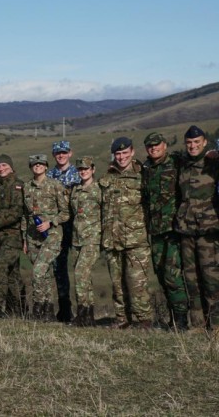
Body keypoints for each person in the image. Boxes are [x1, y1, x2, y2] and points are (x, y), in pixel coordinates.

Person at [99, 137, 153, 329]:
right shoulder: (107, 178)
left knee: (137, 284)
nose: (121, 157)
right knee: (117, 284)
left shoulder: (143, 175)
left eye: (124, 153)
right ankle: (122, 319)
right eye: (118, 154)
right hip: (112, 240)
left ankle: (143, 321)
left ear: (132, 152)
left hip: (136, 240)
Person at [141, 132, 189, 331]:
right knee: (161, 274)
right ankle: (172, 319)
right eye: (150, 146)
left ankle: (182, 321)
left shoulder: (177, 162)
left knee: (172, 275)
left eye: (157, 145)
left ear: (164, 145)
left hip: (173, 230)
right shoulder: (146, 168)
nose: (154, 148)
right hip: (156, 231)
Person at [174, 125, 219, 330]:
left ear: (205, 142)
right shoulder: (183, 164)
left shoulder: (213, 163)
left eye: (197, 142)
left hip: (208, 231)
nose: (192, 146)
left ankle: (216, 327)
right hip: (186, 230)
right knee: (191, 280)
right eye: (189, 143)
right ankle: (198, 327)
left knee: (212, 281)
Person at [23, 154, 69, 321]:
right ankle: (48, 311)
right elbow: (25, 215)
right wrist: (24, 239)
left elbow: (65, 213)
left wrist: (50, 222)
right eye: (34, 164)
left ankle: (37, 308)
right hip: (33, 237)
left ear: (46, 167)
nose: (38, 166)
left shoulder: (55, 185)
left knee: (38, 271)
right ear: (31, 167)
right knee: (45, 274)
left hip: (52, 236)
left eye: (41, 164)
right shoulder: (26, 187)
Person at [0, 154, 26, 318]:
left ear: (11, 167)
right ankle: (19, 310)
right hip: (0, 237)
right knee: (12, 275)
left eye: (4, 165)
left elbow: (17, 211)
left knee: (0, 266)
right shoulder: (0, 187)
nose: (1, 168)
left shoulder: (16, 185)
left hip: (13, 235)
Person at [46, 140, 80, 323]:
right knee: (59, 268)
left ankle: (85, 310)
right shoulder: (49, 175)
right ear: (54, 155)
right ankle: (65, 310)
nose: (61, 155)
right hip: (58, 227)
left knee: (81, 268)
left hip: (78, 226)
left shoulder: (79, 173)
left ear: (70, 153)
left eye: (64, 152)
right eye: (58, 153)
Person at [70, 156, 102, 327]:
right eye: (80, 169)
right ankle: (88, 315)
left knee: (80, 273)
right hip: (77, 239)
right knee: (84, 278)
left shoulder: (98, 190)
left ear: (93, 169)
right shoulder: (75, 190)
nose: (83, 172)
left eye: (86, 169)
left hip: (92, 238)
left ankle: (82, 313)